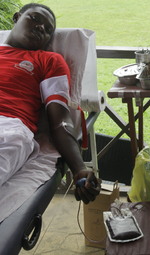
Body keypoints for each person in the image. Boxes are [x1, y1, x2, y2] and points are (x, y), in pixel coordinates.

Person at [0, 3, 100, 204]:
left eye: (48, 30)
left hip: (8, 129)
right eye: (35, 19)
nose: (41, 28)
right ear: (17, 17)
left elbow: (59, 120)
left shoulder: (48, 61)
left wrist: (79, 168)